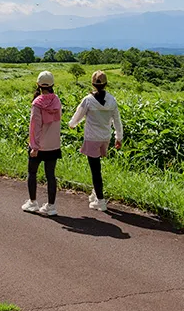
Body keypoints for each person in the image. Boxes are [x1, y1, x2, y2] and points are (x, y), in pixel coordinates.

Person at [68, 70, 123, 212]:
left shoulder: (88, 100)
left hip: (92, 138)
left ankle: (100, 200)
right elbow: (117, 120)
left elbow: (78, 115)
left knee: (95, 170)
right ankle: (95, 193)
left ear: (92, 84)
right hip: (105, 138)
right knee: (97, 168)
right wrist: (119, 137)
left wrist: (72, 124)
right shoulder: (112, 100)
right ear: (106, 84)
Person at [22, 70, 63, 216]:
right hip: (54, 145)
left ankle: (33, 202)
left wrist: (34, 147)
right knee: (50, 175)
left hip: (39, 146)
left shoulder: (37, 103)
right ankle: (51, 206)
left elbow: (34, 127)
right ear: (52, 84)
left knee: (32, 172)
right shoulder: (57, 101)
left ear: (38, 84)